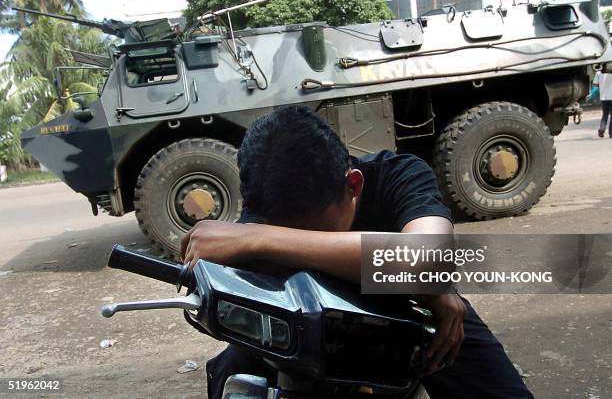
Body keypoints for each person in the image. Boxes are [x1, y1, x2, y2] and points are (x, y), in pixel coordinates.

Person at [181, 106, 533, 399]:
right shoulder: (269, 205)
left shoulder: (398, 175)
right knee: (231, 376)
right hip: (305, 324)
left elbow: (427, 260)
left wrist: (261, 239)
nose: (302, 241)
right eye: (284, 231)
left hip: (412, 310)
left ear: (354, 184)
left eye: (313, 231)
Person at [592, 65, 612, 138]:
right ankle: (611, 132)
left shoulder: (598, 73)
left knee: (605, 114)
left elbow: (595, 85)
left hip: (603, 97)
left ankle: (601, 129)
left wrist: (592, 95)